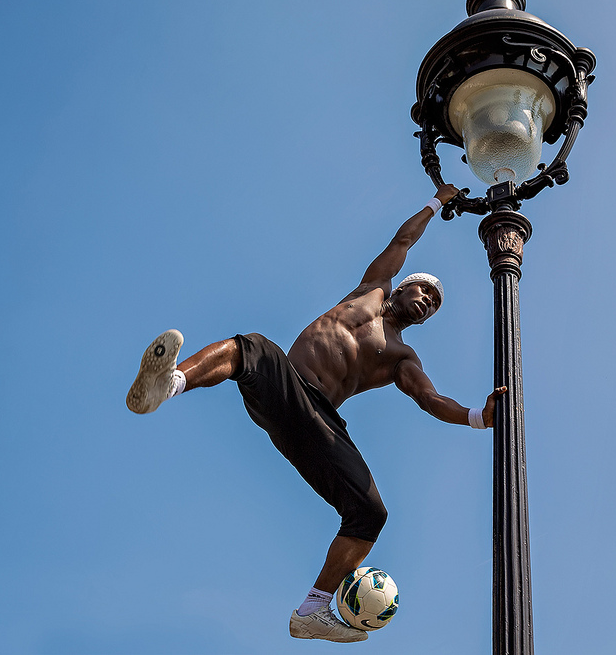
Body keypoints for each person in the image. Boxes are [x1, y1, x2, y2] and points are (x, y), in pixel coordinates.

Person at [125, 183, 505, 643]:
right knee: (252, 348)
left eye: (434, 304)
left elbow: (430, 399)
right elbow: (402, 242)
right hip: (285, 386)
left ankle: (313, 610)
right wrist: (437, 202)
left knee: (371, 512)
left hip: (319, 419)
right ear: (402, 289)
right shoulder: (369, 289)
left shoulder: (401, 358)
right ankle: (170, 384)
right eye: (423, 291)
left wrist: (477, 417)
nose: (427, 301)